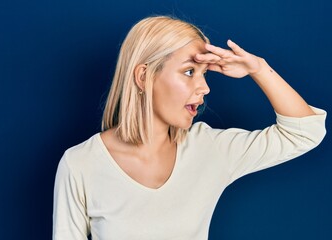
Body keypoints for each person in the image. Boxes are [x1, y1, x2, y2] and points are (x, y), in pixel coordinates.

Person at [52, 16, 326, 240]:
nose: (204, 87)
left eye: (204, 73)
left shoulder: (210, 149)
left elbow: (304, 133)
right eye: (189, 72)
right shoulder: (80, 164)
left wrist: (258, 68)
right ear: (144, 76)